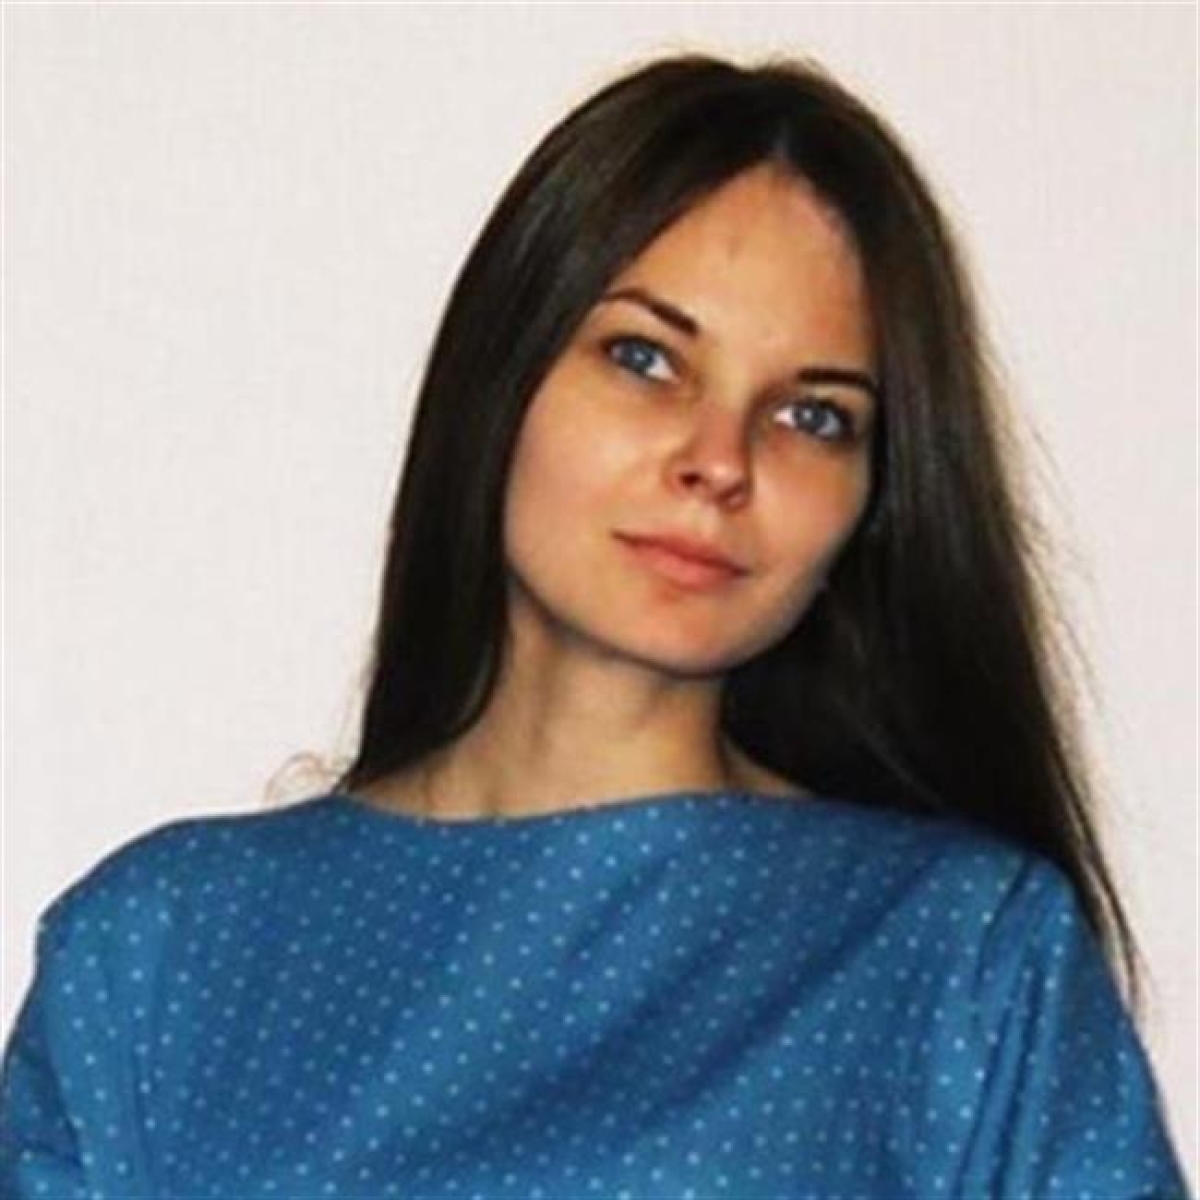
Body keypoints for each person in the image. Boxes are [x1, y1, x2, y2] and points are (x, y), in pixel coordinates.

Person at [1, 51, 1191, 1200]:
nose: (719, 461)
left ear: (871, 507)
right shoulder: (156, 952)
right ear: (503, 376)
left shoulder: (964, 956)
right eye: (645, 358)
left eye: (813, 417)